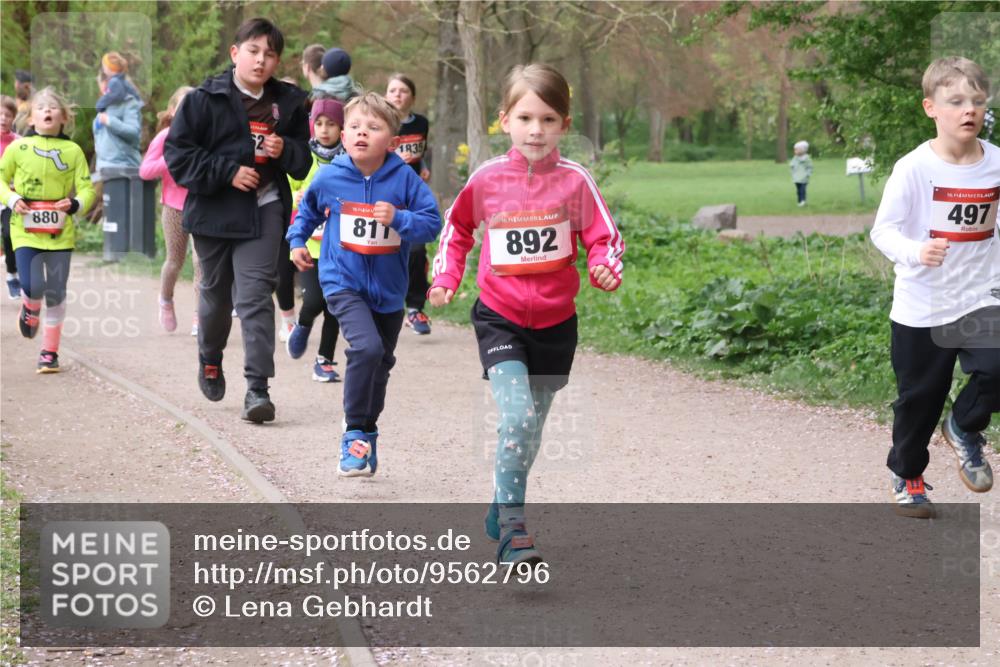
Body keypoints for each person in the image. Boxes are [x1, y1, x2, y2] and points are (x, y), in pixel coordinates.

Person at [428, 64, 624, 565]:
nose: (536, 129)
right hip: (500, 317)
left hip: (557, 325)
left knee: (530, 428)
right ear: (504, 121)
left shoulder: (575, 182)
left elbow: (602, 236)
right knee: (516, 416)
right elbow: (458, 229)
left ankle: (501, 503)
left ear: (564, 124)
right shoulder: (488, 178)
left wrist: (603, 265)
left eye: (548, 119)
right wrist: (447, 277)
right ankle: (515, 534)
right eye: (525, 117)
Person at [870, 56, 1000, 519]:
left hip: (981, 295)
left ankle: (964, 427)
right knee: (917, 401)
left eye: (977, 101)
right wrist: (915, 252)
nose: (969, 110)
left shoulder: (997, 163)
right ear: (931, 108)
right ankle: (907, 474)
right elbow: (882, 231)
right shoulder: (914, 168)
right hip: (923, 303)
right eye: (956, 101)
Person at [164, 17, 311, 423]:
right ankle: (210, 359)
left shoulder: (289, 103)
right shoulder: (202, 99)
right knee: (215, 296)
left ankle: (257, 388)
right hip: (214, 213)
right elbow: (178, 156)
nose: (261, 60)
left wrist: (285, 151)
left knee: (255, 296)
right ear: (235, 53)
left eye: (270, 54)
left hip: (264, 208)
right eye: (253, 51)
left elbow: (302, 162)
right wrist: (226, 172)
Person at [287, 92, 441, 476]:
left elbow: (432, 222)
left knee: (382, 363)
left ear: (390, 138)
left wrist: (400, 220)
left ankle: (366, 433)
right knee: (367, 349)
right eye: (354, 126)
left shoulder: (404, 178)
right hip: (343, 282)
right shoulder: (331, 175)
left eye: (373, 127)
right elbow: (305, 213)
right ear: (342, 134)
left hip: (388, 291)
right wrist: (295, 242)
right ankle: (353, 429)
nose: (361, 133)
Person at [0, 87, 96, 372]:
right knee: (32, 286)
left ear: (64, 117)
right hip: (24, 228)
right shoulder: (18, 148)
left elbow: (87, 188)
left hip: (60, 232)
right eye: (41, 107)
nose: (47, 111)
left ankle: (49, 353)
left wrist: (76, 203)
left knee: (55, 291)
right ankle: (30, 305)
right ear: (30, 118)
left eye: (53, 108)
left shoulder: (73, 150)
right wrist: (13, 198)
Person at [286, 98, 345, 382]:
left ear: (341, 128)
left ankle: (325, 360)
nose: (324, 130)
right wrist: (295, 196)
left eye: (331, 124)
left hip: (340, 246)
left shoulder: (348, 161)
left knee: (335, 303)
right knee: (314, 301)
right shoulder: (304, 158)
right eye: (319, 123)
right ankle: (303, 323)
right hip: (309, 245)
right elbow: (288, 183)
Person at [140, 85, 200, 335]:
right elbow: (145, 171)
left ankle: (201, 317)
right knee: (174, 261)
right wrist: (171, 158)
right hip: (174, 207)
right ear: (173, 111)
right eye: (183, 106)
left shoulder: (207, 135)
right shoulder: (165, 137)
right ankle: (165, 299)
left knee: (201, 263)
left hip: (202, 205)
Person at [386, 73, 433, 335]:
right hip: (386, 195)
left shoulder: (422, 123)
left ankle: (415, 309)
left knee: (416, 251)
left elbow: (421, 152)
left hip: (413, 195)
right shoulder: (381, 124)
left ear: (412, 97)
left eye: (403, 91)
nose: (397, 95)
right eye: (392, 90)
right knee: (387, 251)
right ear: (385, 96)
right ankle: (385, 304)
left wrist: (422, 166)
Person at [92, 58, 143, 173]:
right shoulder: (104, 107)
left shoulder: (129, 104)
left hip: (125, 167)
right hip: (104, 169)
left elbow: (133, 133)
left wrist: (110, 121)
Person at [1, 95, 21, 298]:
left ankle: (12, 274)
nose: (3, 118)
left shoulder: (19, 143)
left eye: (7, 115)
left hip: (10, 197)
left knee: (9, 235)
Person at [789, 140, 813, 207]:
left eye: (797, 150)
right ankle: (799, 201)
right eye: (795, 150)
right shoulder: (795, 158)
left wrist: (808, 174)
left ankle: (803, 201)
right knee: (798, 190)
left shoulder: (807, 158)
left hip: (804, 177)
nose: (795, 151)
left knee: (803, 189)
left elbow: (810, 166)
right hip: (796, 177)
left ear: (803, 150)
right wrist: (792, 169)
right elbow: (792, 164)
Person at [12, 70, 32, 135]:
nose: (16, 85)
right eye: (16, 82)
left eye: (18, 83)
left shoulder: (32, 105)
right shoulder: (12, 102)